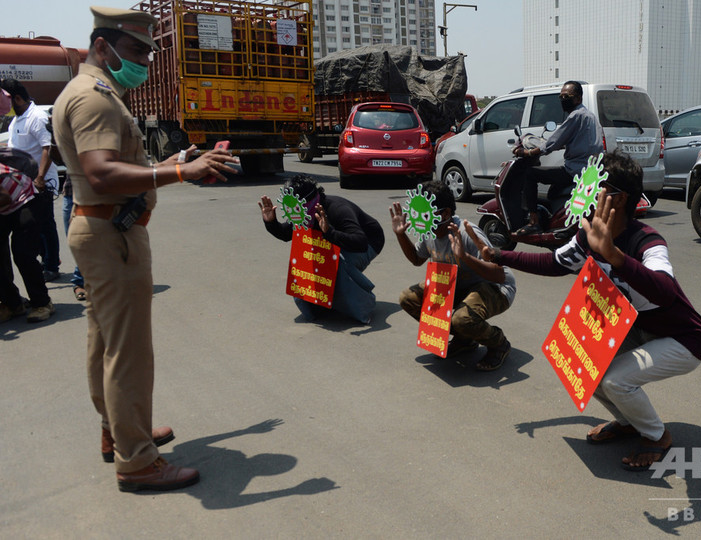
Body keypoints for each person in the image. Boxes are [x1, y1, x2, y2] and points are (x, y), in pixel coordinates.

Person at [52, 6, 237, 492]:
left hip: (102, 229)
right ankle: (137, 462)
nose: (145, 62)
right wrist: (177, 172)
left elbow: (118, 166)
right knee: (128, 351)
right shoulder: (94, 99)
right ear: (101, 46)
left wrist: (177, 161)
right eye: (136, 51)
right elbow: (101, 172)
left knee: (105, 342)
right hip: (112, 235)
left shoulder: (97, 92)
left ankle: (118, 430)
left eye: (148, 53)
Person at [480, 151, 701, 470]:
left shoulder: (647, 240)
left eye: (594, 187)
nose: (584, 193)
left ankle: (656, 436)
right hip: (639, 330)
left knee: (615, 380)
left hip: (683, 339)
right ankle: (630, 423)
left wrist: (614, 255)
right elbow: (555, 263)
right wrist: (500, 255)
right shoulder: (587, 235)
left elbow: (665, 289)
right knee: (586, 367)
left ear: (618, 198)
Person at [390, 180, 516, 371]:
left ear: (446, 213)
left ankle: (498, 343)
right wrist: (400, 235)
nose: (420, 219)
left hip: (495, 287)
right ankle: (465, 339)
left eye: (425, 214)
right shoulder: (429, 231)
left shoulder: (466, 232)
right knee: (408, 298)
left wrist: (464, 256)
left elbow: (498, 274)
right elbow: (417, 259)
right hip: (456, 285)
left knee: (462, 319)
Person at [259, 174, 384, 324]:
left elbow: (360, 242)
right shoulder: (302, 214)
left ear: (309, 202)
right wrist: (271, 222)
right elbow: (286, 234)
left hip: (369, 242)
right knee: (304, 258)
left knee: (337, 263)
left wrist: (330, 232)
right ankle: (317, 307)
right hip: (335, 241)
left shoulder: (337, 209)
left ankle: (363, 308)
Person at [515, 80, 604, 235]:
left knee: (530, 174)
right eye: (561, 97)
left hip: (575, 170)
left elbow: (552, 143)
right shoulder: (590, 116)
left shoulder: (576, 116)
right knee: (553, 188)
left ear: (578, 98)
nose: (563, 100)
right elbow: (574, 140)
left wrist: (528, 153)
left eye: (567, 96)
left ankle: (534, 222)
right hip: (590, 170)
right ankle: (555, 220)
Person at [1, 78, 61, 282]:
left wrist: (40, 178)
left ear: (16, 98)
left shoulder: (37, 117)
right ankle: (46, 262)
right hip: (22, 185)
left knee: (45, 225)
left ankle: (51, 265)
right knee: (35, 227)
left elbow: (48, 148)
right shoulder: (17, 119)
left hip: (39, 181)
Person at [0, 147, 54, 322]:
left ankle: (42, 303)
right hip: (5, 209)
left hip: (26, 199)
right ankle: (13, 304)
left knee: (23, 253)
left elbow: (4, 198)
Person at [60, 174, 86, 301]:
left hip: (96, 193)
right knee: (76, 243)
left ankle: (80, 281)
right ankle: (81, 282)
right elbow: (53, 156)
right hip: (72, 190)